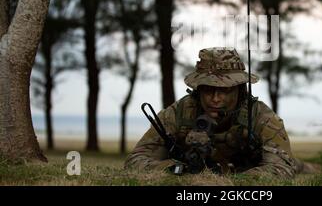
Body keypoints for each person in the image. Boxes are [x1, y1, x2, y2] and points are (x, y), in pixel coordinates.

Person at [125, 47, 304, 178]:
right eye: (208, 90)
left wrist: (233, 182)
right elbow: (136, 160)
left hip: (245, 172)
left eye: (225, 90)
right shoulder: (178, 113)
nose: (215, 99)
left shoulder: (261, 117)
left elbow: (281, 167)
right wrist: (177, 170)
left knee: (302, 166)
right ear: (198, 89)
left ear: (240, 90)